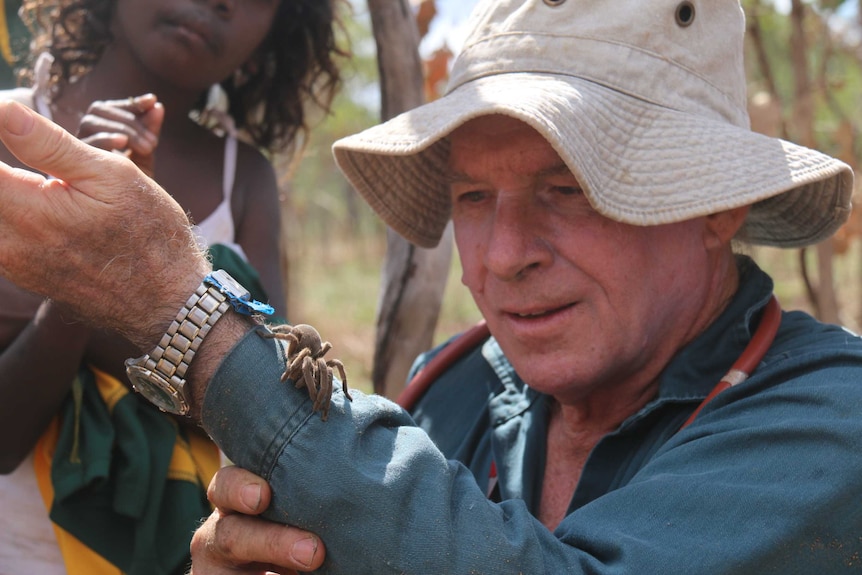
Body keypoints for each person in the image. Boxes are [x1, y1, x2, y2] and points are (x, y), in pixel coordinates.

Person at [0, 0, 860, 573]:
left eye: (567, 189)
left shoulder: (827, 417)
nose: (504, 253)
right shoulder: (456, 392)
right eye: (473, 198)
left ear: (718, 207)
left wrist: (183, 314)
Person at [0, 0, 345, 573]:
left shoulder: (244, 178)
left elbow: (268, 414)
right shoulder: (8, 134)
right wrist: (118, 283)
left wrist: (111, 264)